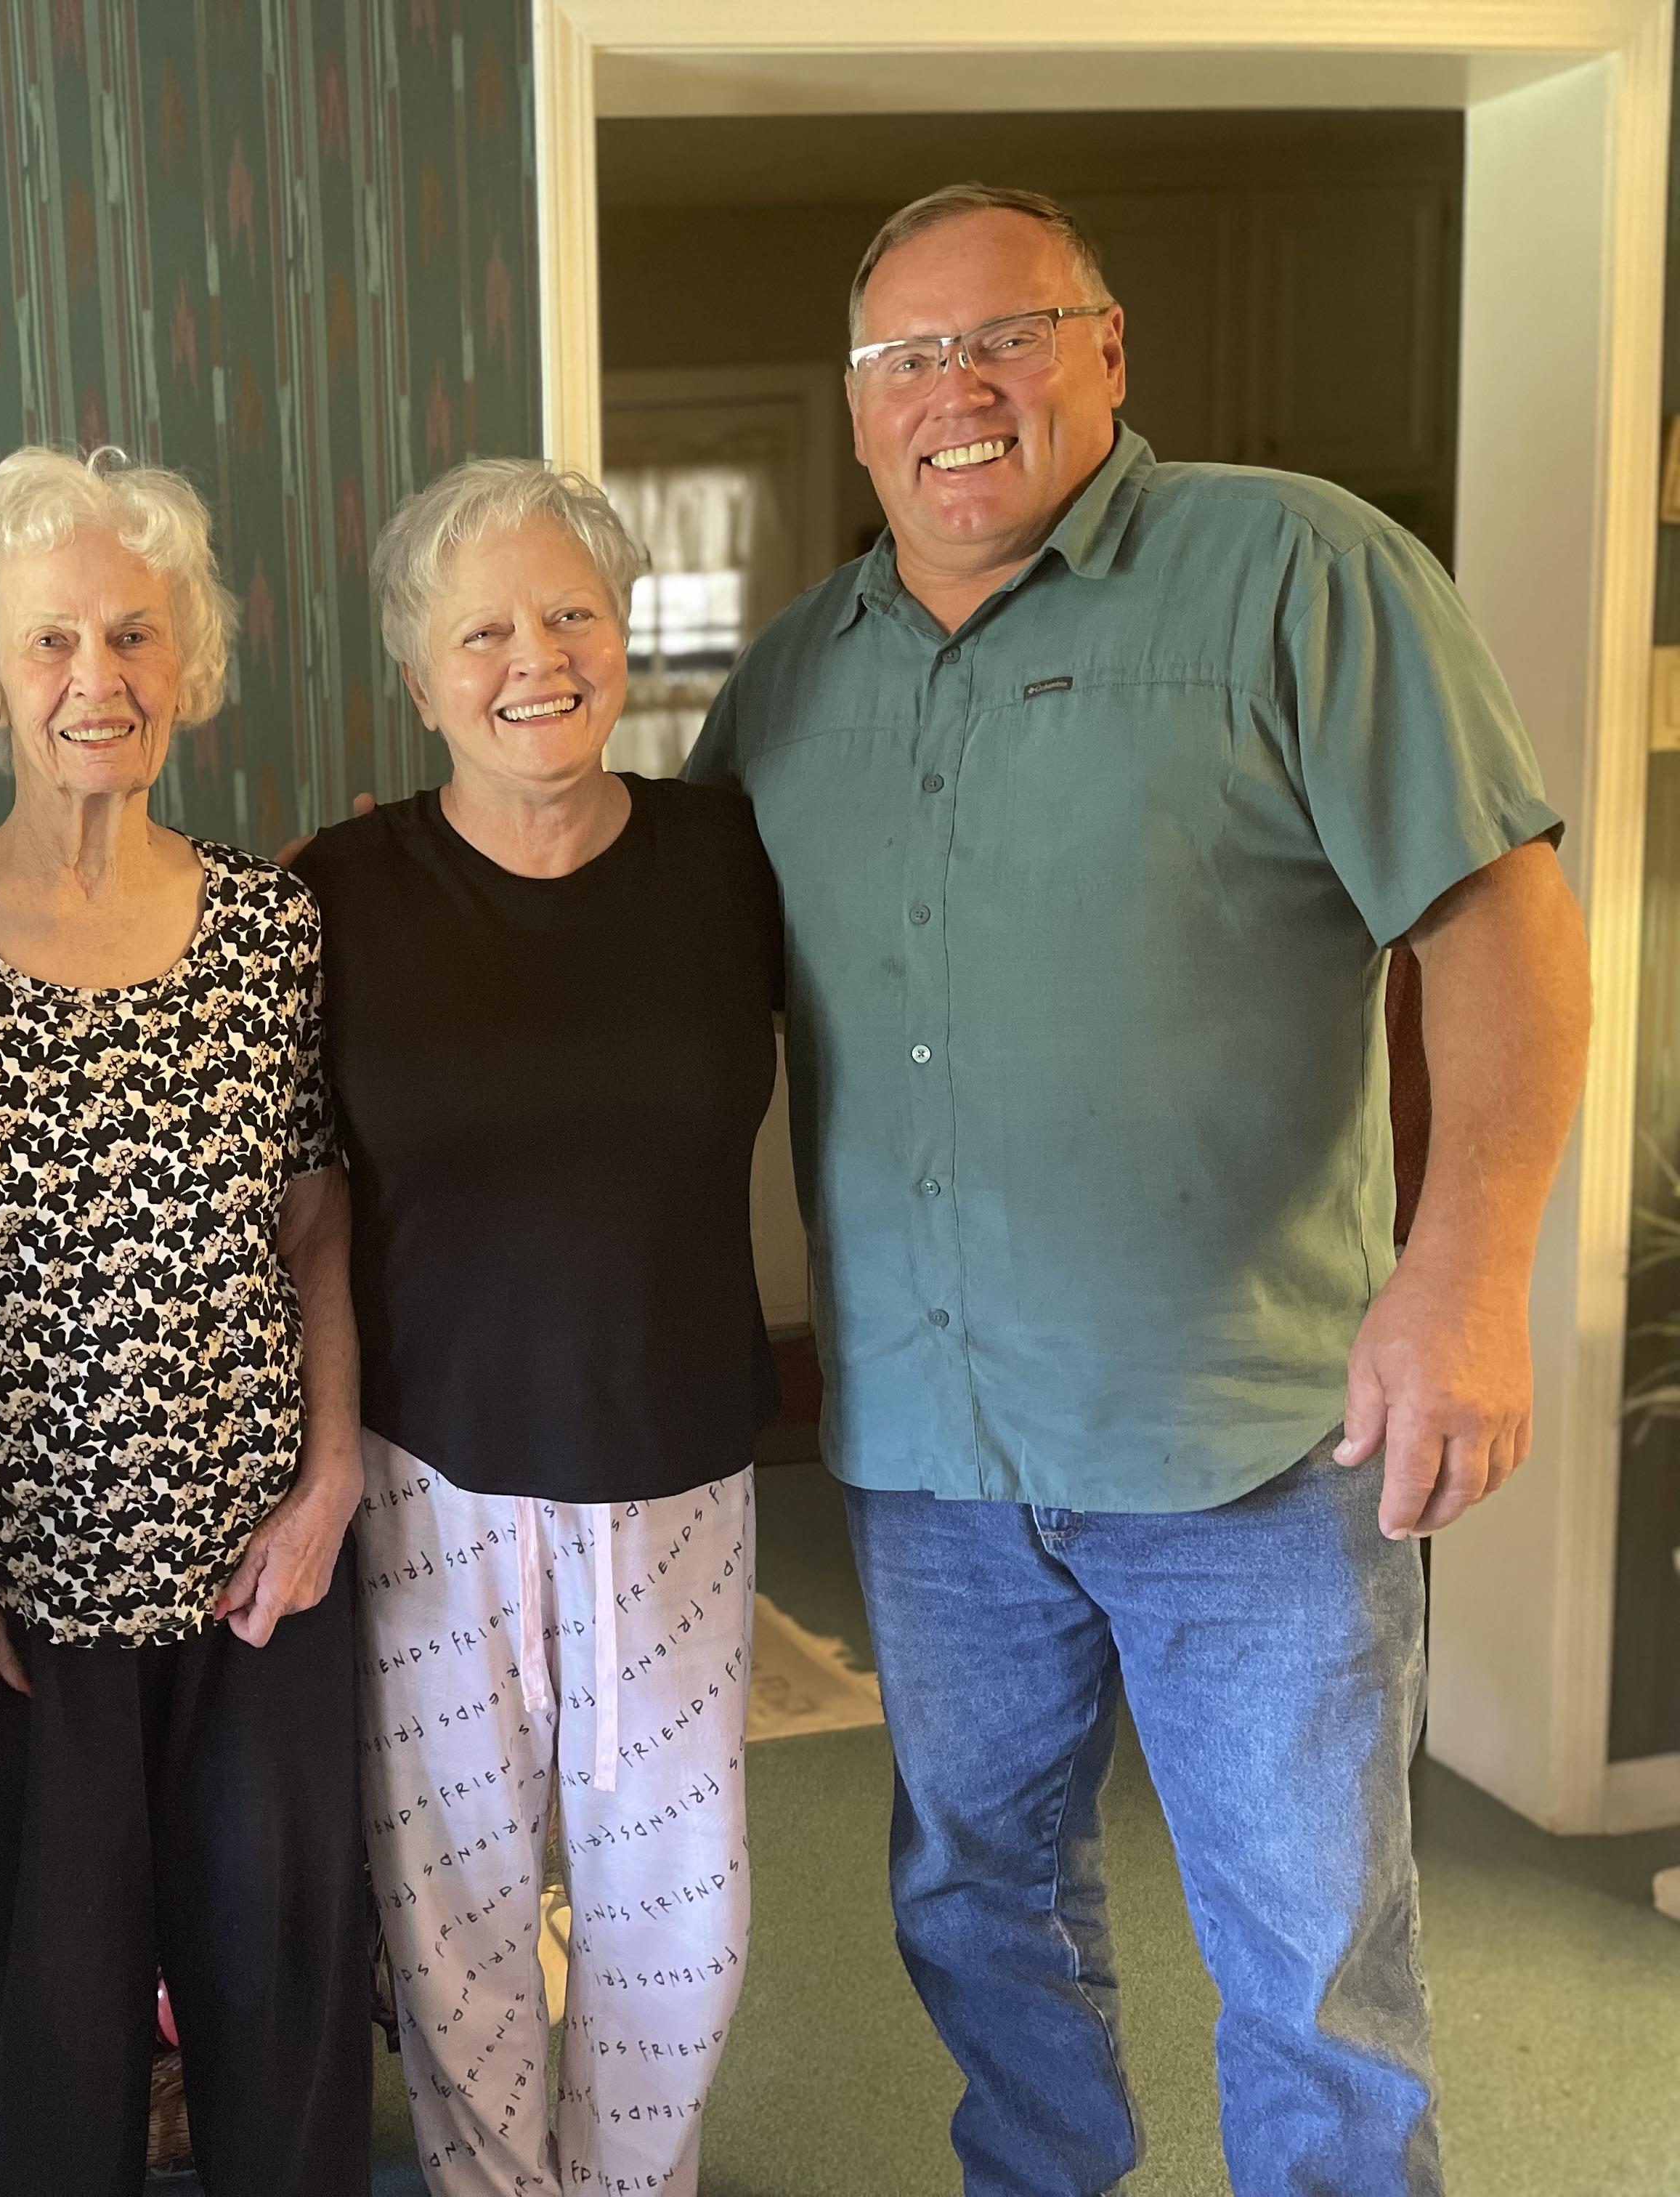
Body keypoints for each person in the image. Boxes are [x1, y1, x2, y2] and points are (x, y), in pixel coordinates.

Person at [684, 184, 1590, 2196]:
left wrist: (1468, 1280)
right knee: (978, 1906)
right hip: (925, 1460)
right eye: (908, 356)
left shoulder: (1298, 573)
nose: (959, 389)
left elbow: (1502, 924)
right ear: (858, 412)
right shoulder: (792, 685)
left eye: (1009, 333)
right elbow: (655, 993)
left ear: (1108, 351)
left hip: (1251, 1444)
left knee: (1309, 1965)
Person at [0, 445, 368, 2196]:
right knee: (51, 2071)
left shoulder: (274, 932)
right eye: (50, 640)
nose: (95, 680)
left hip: (258, 1585)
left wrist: (332, 1478)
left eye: (135, 636)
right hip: (22, 1608)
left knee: (284, 2033)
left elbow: (316, 1231)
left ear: (187, 667)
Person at [292, 457, 774, 2196]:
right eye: (482, 628)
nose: (535, 656)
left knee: (676, 1924)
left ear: (626, 633)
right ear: (421, 679)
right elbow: (289, 1201)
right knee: (459, 1914)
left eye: (571, 611)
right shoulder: (331, 893)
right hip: (432, 1477)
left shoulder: (731, 857)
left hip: (679, 1469)